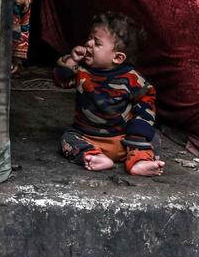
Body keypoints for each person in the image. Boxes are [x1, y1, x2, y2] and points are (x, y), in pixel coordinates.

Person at [53, 11, 165, 177]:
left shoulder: (133, 79)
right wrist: (72, 61)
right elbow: (61, 80)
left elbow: (146, 103)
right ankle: (94, 156)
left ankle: (139, 161)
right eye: (90, 38)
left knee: (152, 138)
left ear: (118, 57)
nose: (89, 44)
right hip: (87, 136)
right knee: (67, 139)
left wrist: (138, 134)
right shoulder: (82, 71)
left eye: (97, 43)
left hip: (124, 139)